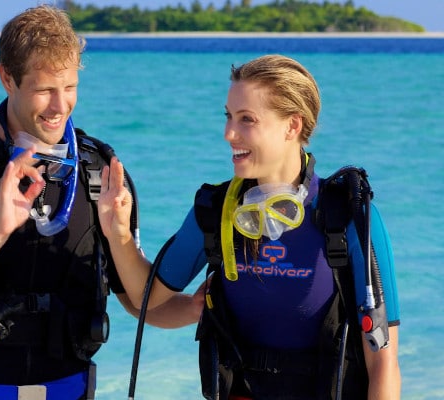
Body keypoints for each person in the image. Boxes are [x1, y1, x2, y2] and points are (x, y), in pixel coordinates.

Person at [0, 5, 199, 399]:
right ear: (8, 78)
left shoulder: (98, 171)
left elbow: (139, 303)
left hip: (67, 387)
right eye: (44, 90)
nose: (60, 106)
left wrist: (195, 307)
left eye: (69, 88)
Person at [98, 54, 401, 399]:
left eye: (247, 120)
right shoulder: (215, 212)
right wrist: (118, 232)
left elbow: (383, 364)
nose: (229, 133)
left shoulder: (348, 217)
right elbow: (147, 297)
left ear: (292, 126)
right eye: (228, 117)